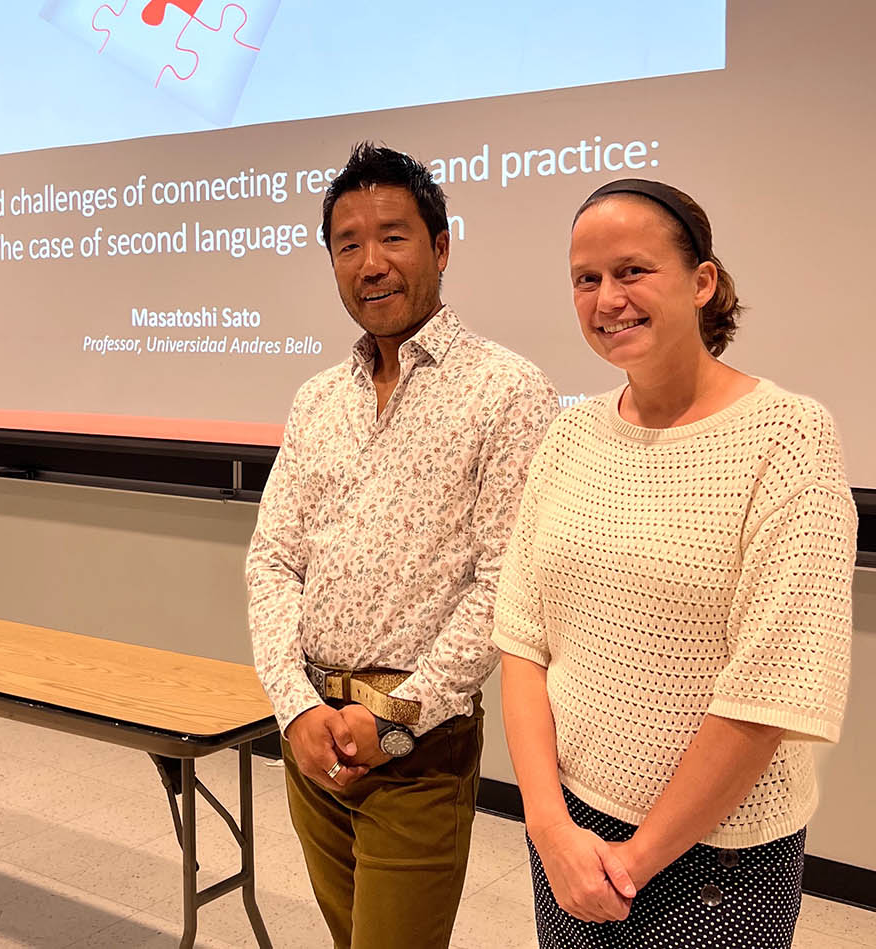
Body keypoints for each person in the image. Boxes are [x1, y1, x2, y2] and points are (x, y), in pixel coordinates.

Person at [492, 178, 856, 948]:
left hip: (719, 862)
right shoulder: (568, 437)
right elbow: (522, 638)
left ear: (702, 282)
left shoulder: (788, 437)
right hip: (569, 834)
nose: (607, 298)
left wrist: (633, 861)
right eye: (586, 279)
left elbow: (769, 691)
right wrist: (549, 827)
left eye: (632, 270)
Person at [246, 141, 558, 949]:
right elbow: (273, 559)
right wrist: (296, 708)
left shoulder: (507, 390)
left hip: (418, 749)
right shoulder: (317, 398)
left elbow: (504, 583)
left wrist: (388, 721)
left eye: (393, 236)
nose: (370, 263)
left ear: (441, 246)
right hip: (314, 738)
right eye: (347, 244)